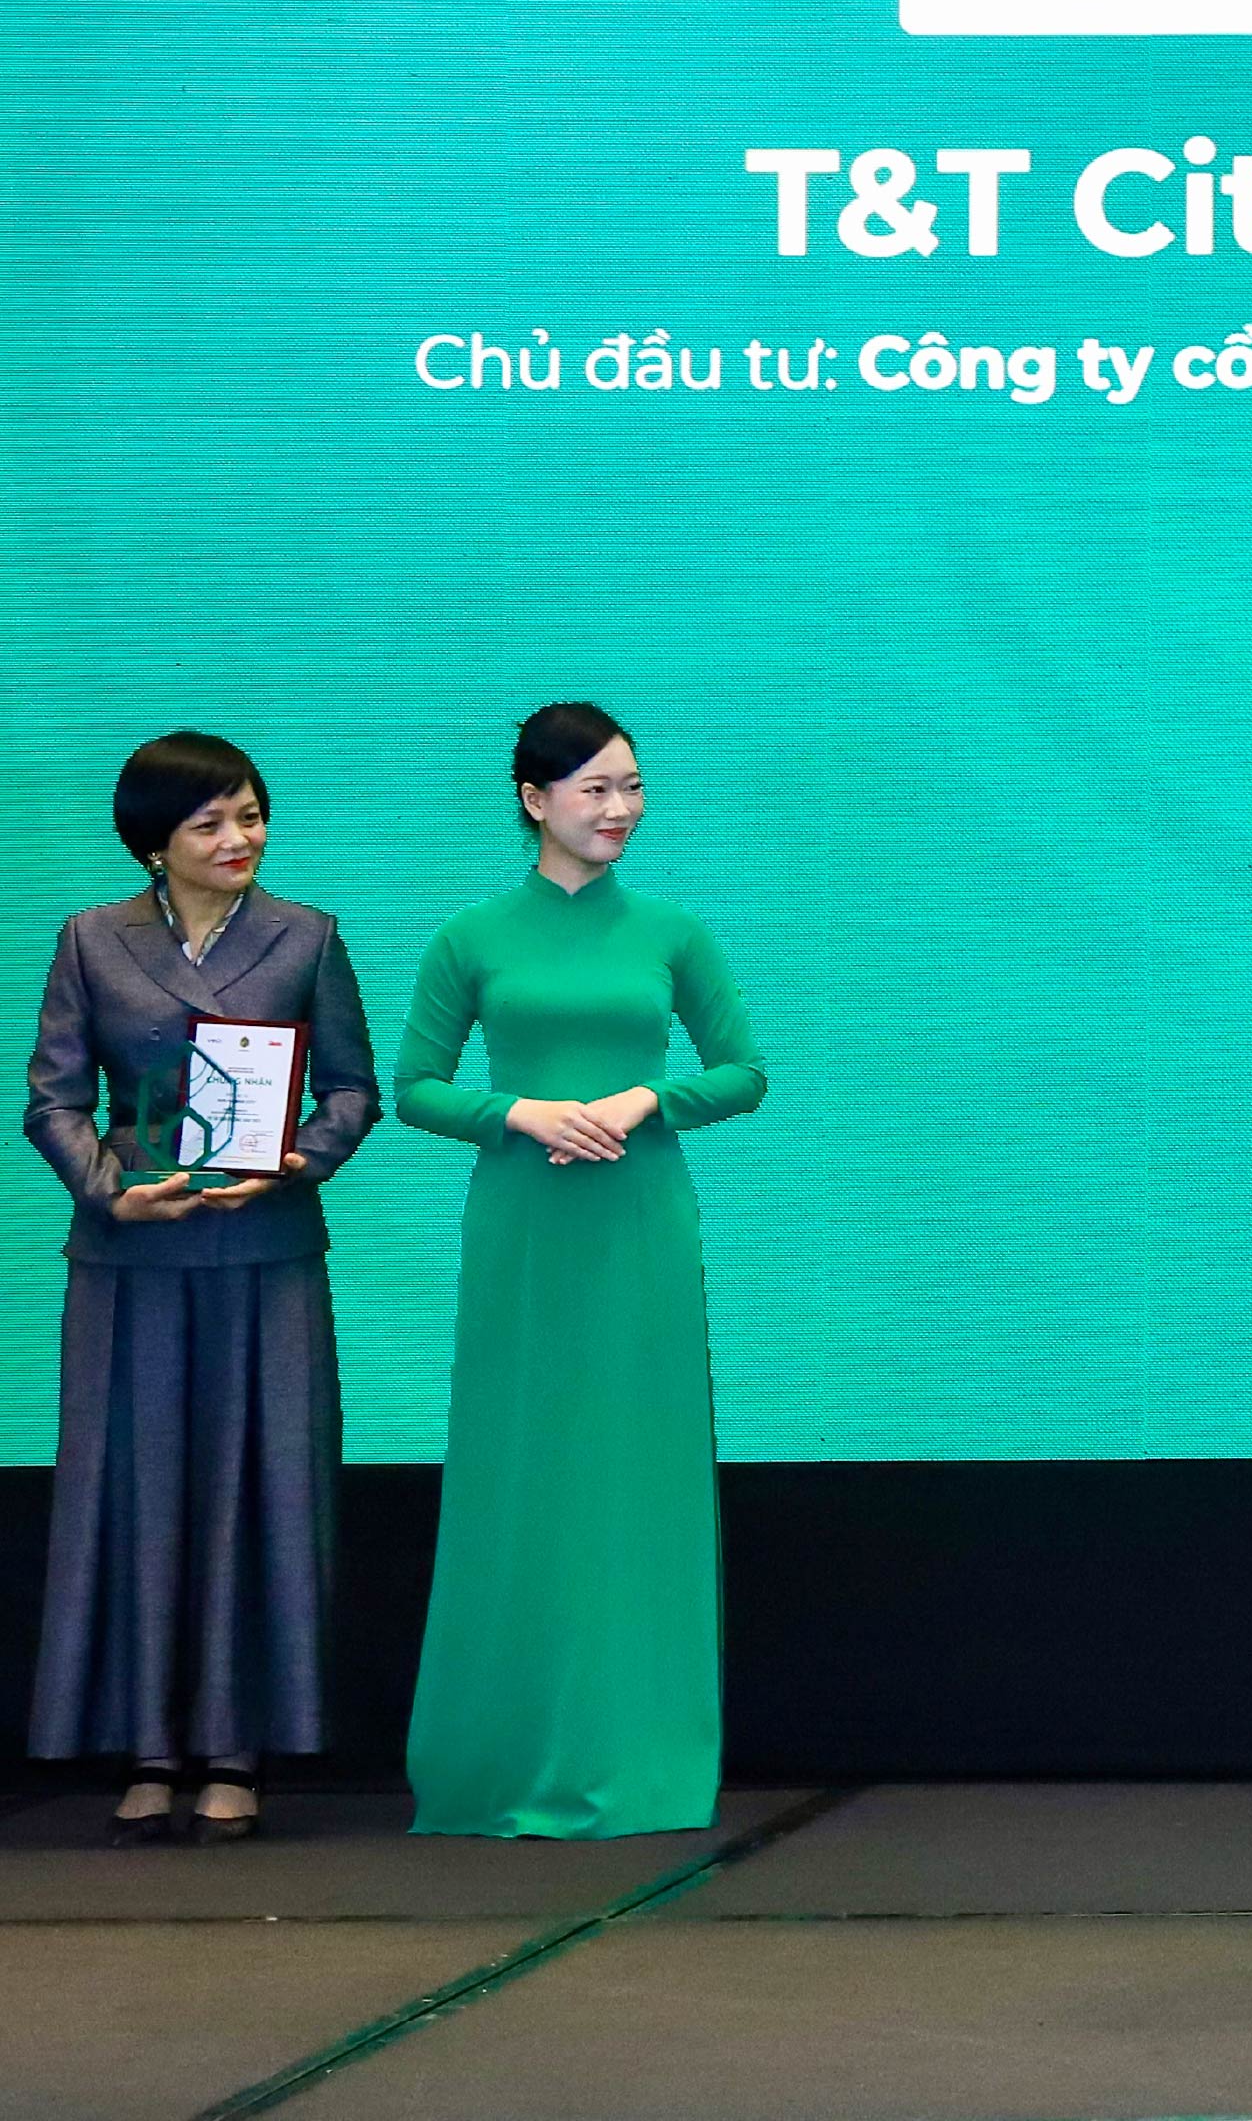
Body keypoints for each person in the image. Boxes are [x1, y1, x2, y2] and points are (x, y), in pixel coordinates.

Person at [394, 705, 769, 1837]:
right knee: (522, 1465)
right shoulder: (471, 936)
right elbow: (416, 1087)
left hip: (638, 1222)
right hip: (523, 1223)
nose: (620, 809)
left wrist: (647, 1096)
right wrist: (522, 1111)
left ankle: (638, 1751)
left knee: (635, 1471)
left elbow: (745, 1071)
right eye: (597, 788)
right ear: (534, 799)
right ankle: (501, 1752)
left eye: (632, 787)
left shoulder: (672, 932)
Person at [28, 734, 381, 1844]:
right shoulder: (91, 938)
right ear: (154, 842)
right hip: (131, 1253)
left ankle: (238, 1748)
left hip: (265, 1249)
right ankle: (146, 1744)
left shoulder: (307, 935)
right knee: (132, 1489)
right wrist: (108, 1190)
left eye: (252, 815)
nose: (240, 839)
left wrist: (301, 1158)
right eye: (211, 822)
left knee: (264, 1485)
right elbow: (53, 1098)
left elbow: (352, 1089)